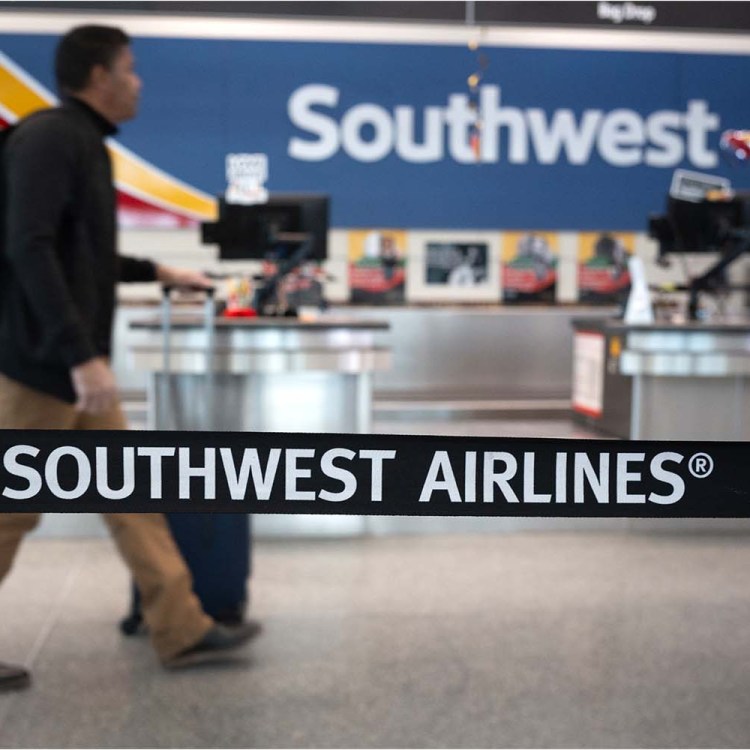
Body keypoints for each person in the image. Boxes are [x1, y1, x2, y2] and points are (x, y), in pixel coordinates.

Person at [0, 25, 261, 689]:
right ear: (99, 76)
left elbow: (77, 255)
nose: (140, 81)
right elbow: (28, 248)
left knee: (133, 493)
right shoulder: (52, 139)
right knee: (10, 512)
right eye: (131, 68)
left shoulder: (82, 144)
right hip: (43, 368)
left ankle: (182, 628)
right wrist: (80, 355)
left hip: (78, 371)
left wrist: (159, 271)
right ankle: (182, 625)